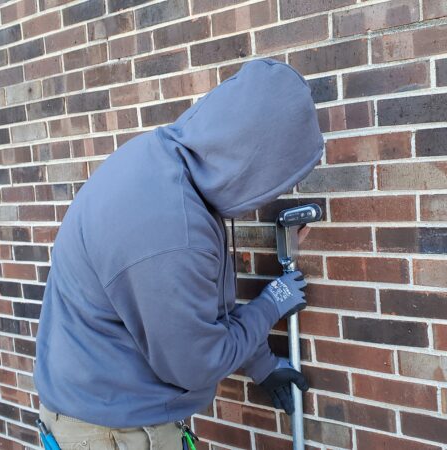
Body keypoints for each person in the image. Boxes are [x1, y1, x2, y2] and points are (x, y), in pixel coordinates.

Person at [33, 58, 324, 449]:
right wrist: (271, 304)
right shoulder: (171, 230)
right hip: (113, 434)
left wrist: (262, 364)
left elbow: (200, 311)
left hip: (105, 409)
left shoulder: (168, 167)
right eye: (278, 179)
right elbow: (196, 364)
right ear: (254, 160)